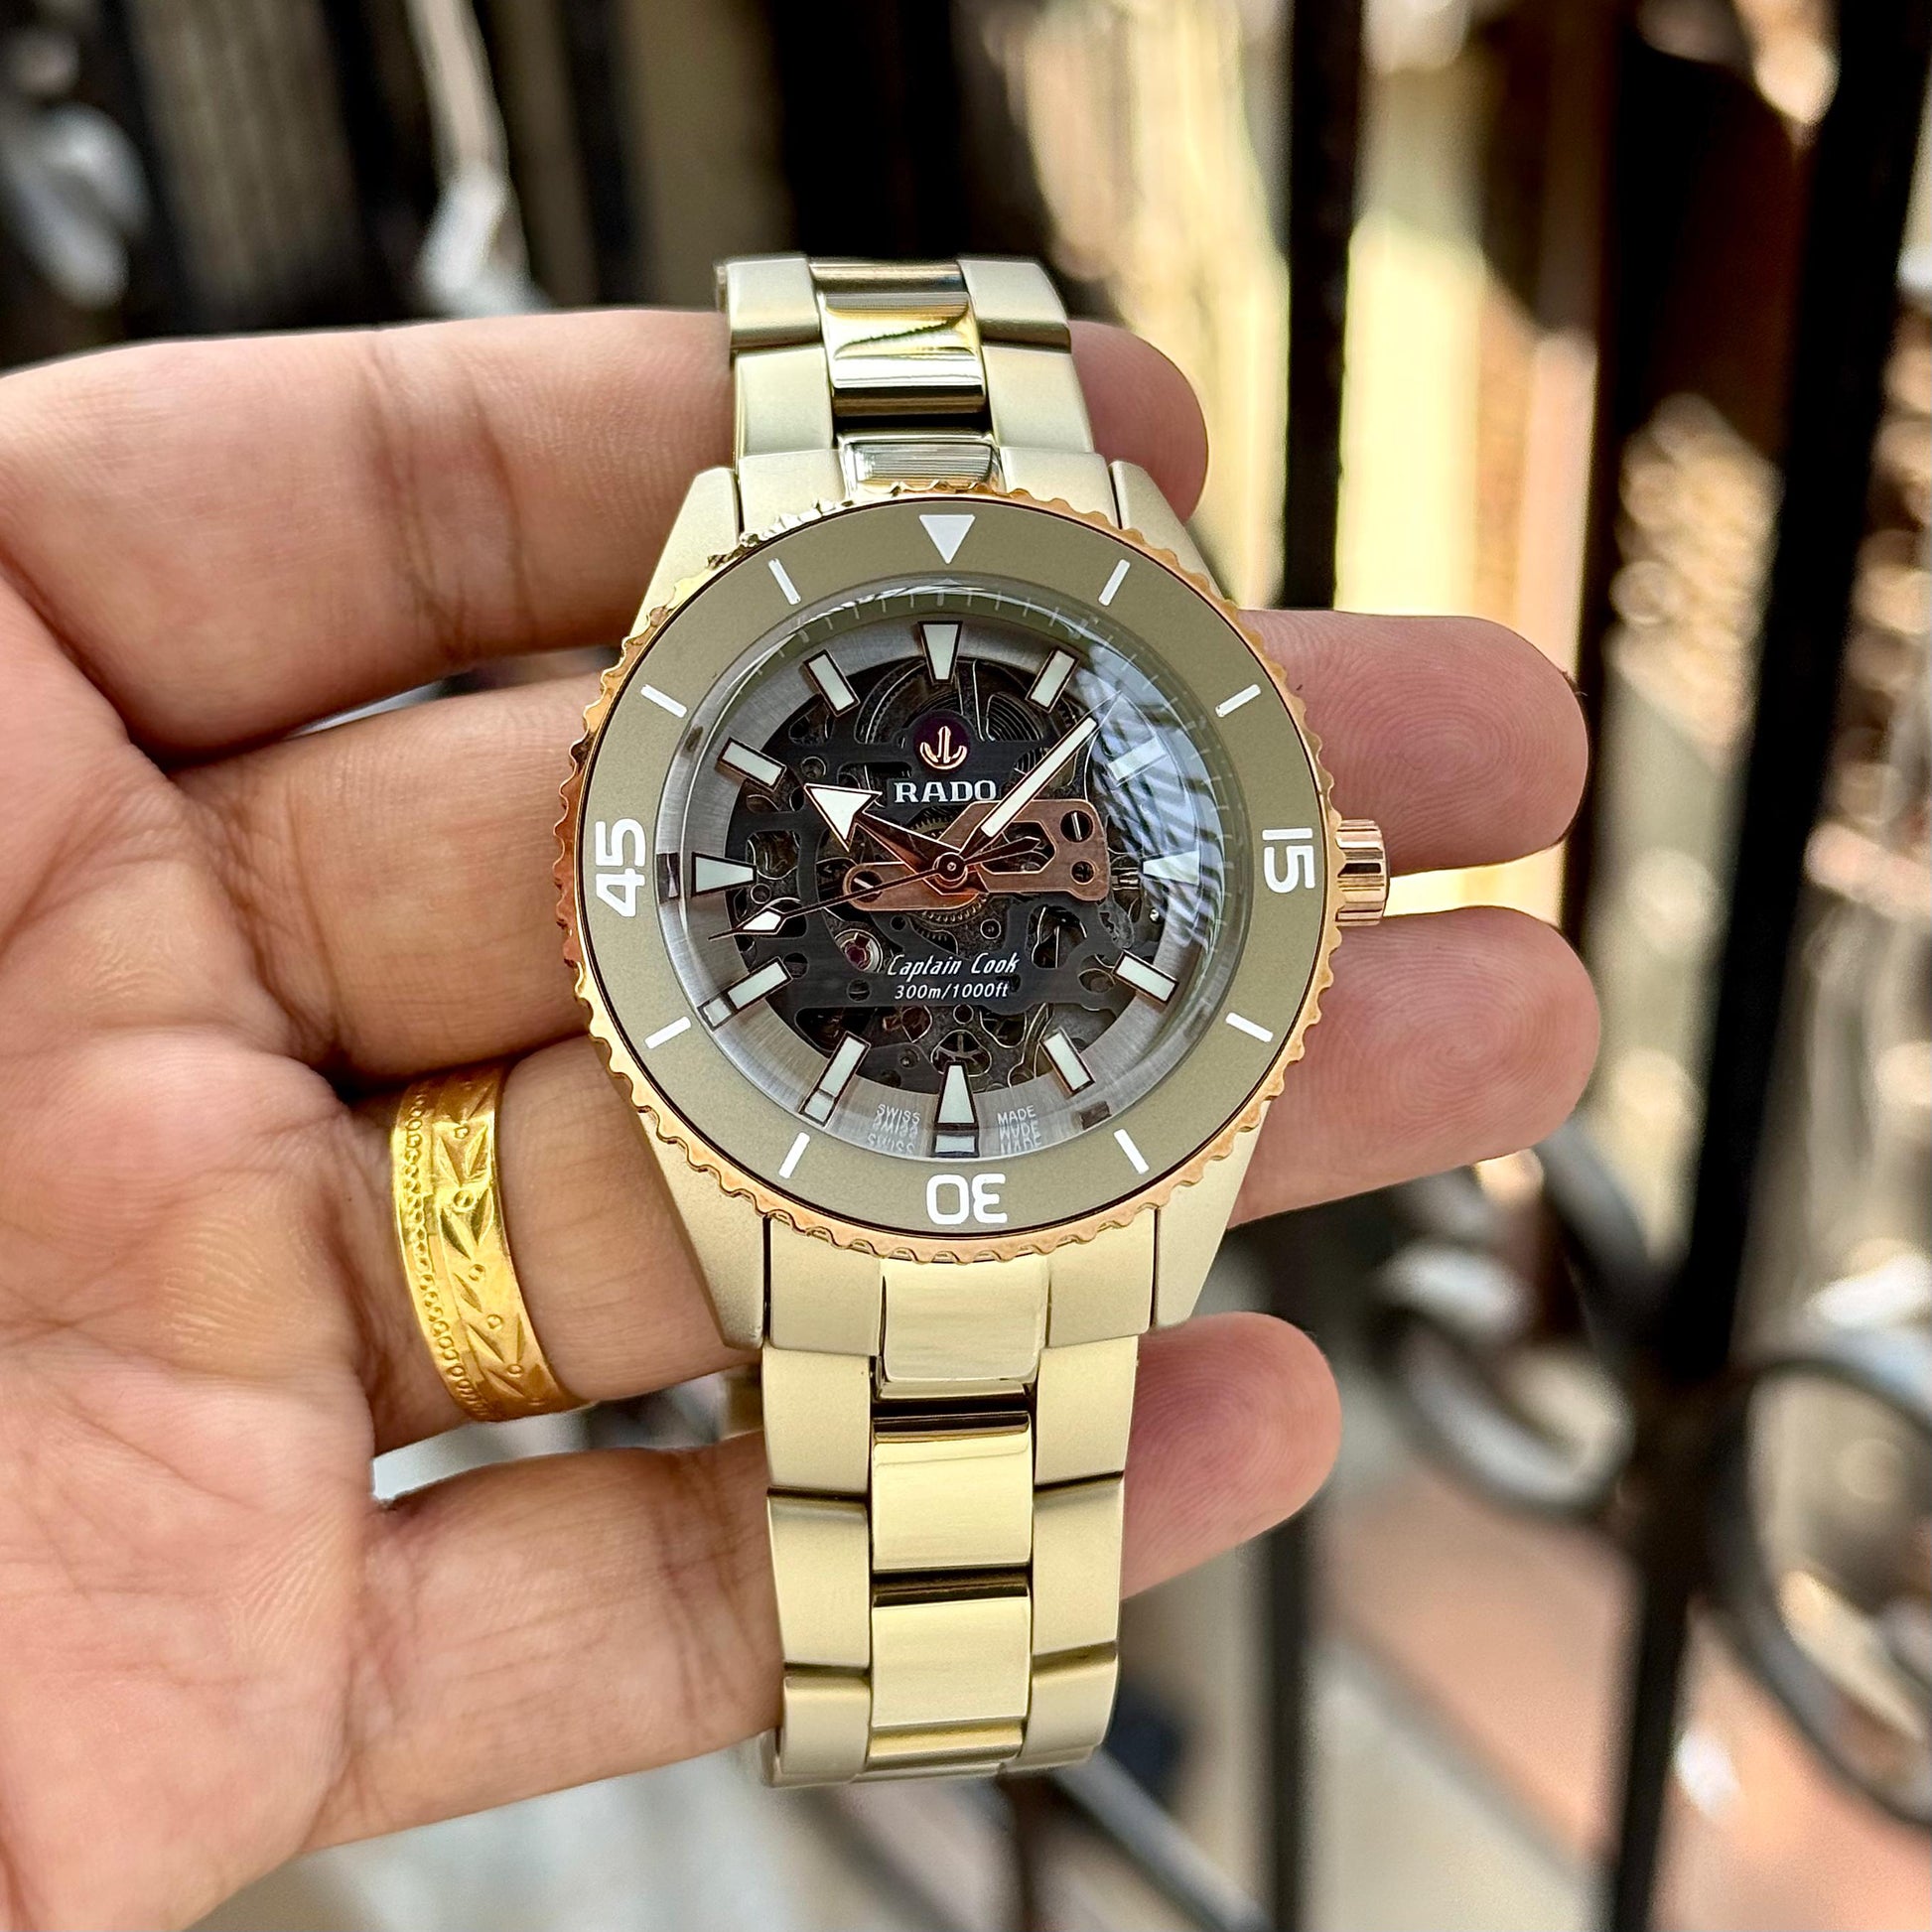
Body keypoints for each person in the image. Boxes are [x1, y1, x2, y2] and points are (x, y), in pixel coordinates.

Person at [0, 309, 1594, 1928]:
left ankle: (944, 1704)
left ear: (1322, 873)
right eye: (921, 864)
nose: (953, 879)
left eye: (990, 857)